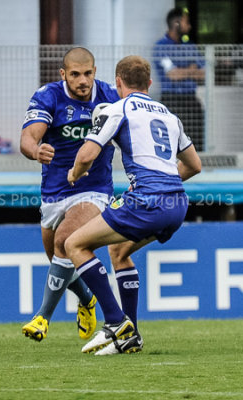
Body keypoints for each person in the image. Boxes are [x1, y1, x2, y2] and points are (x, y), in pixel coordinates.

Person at [65, 55, 202, 355]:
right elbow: (194, 165)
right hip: (176, 204)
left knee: (74, 244)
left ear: (117, 83)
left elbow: (87, 154)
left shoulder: (119, 107)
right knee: (119, 251)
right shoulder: (169, 115)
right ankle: (131, 337)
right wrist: (165, 182)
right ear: (150, 83)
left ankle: (116, 321)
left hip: (146, 202)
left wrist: (74, 174)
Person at [20, 47, 120, 342]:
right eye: (75, 74)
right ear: (63, 74)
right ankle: (87, 299)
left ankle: (42, 318)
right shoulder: (48, 96)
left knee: (65, 239)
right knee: (57, 256)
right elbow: (28, 137)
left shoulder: (110, 97)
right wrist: (35, 150)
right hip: (54, 192)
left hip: (94, 189)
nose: (83, 80)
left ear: (95, 72)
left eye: (88, 73)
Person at [153, 7, 205, 151]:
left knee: (195, 143)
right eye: (186, 21)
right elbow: (172, 75)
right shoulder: (161, 47)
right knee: (172, 142)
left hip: (191, 99)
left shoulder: (190, 47)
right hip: (171, 101)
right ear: (176, 23)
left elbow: (205, 73)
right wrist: (192, 69)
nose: (189, 25)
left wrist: (182, 71)